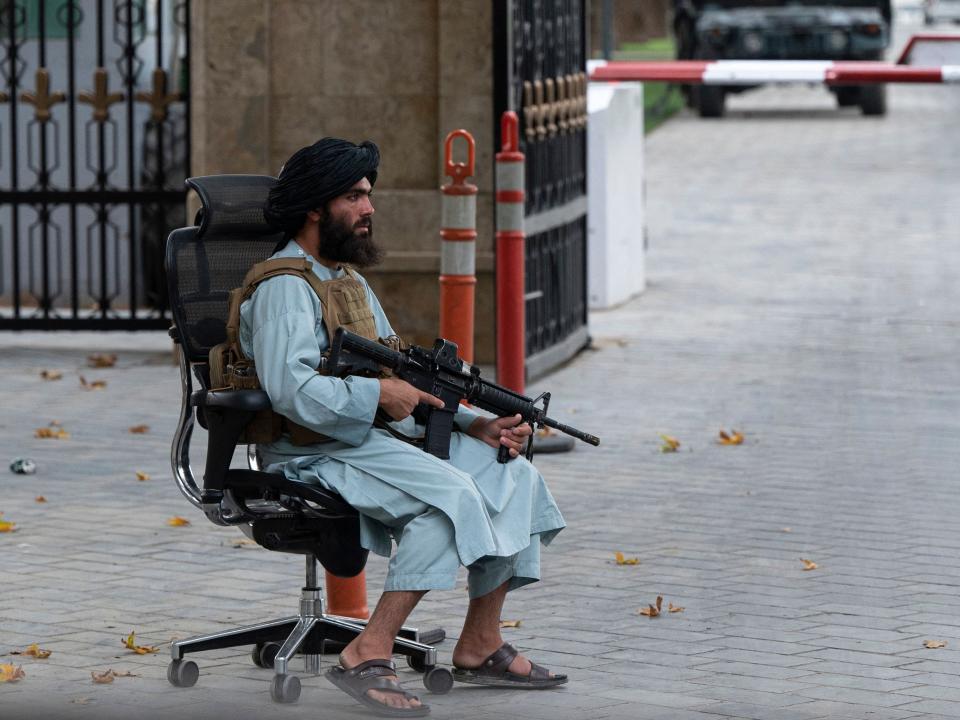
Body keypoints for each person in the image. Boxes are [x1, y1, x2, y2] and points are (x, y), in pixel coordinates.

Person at [241, 138, 566, 717]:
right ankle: (368, 648)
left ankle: (479, 642)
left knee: (513, 477)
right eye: (354, 196)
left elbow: (403, 376)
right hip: (311, 452)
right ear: (315, 207)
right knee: (448, 500)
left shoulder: (345, 281)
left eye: (369, 195)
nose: (369, 209)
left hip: (365, 440)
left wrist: (475, 424)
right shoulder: (284, 290)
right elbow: (294, 394)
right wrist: (378, 393)